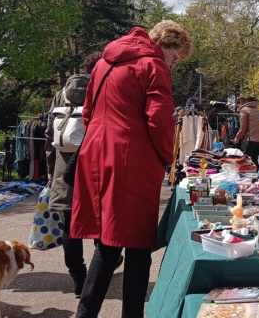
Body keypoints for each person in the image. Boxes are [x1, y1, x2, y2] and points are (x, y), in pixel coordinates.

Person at [72, 21, 193, 318]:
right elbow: (159, 119)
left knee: (108, 245)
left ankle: (84, 314)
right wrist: (172, 158)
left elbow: (88, 112)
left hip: (97, 154)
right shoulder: (153, 65)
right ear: (165, 43)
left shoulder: (103, 62)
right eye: (175, 58)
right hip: (131, 157)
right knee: (138, 246)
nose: (174, 65)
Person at [46, 52, 102, 298]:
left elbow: (50, 133)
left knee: (70, 226)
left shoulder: (61, 94)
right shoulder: (103, 90)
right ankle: (101, 271)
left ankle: (79, 280)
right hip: (96, 165)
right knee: (101, 222)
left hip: (63, 167)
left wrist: (51, 170)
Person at [233, 96, 259, 171]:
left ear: (240, 103)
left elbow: (243, 128)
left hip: (253, 137)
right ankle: (256, 176)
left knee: (245, 159)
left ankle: (246, 177)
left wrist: (237, 138)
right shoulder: (256, 108)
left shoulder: (244, 110)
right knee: (254, 158)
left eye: (238, 105)